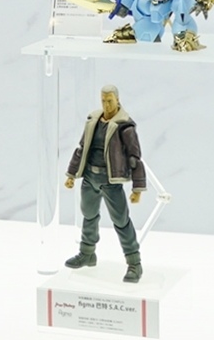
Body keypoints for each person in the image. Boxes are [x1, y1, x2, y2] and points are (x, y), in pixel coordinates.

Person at [64, 85, 146, 282]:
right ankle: (87, 253)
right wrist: (71, 174)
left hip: (111, 181)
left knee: (121, 221)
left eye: (110, 100)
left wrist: (137, 188)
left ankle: (134, 263)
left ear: (117, 100)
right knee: (89, 216)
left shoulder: (124, 126)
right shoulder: (93, 121)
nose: (106, 105)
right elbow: (82, 148)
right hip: (90, 178)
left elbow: (134, 158)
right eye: (103, 100)